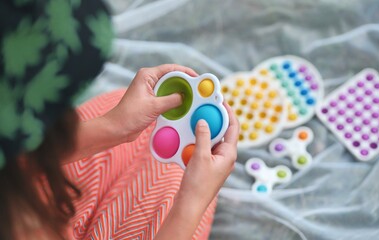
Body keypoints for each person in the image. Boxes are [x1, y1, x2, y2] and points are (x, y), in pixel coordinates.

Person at [0, 0, 239, 239]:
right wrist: (192, 201)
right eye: (59, 105)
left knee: (141, 122)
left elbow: (22, 157)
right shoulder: (23, 229)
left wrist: (116, 126)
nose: (68, 111)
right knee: (175, 183)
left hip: (22, 182)